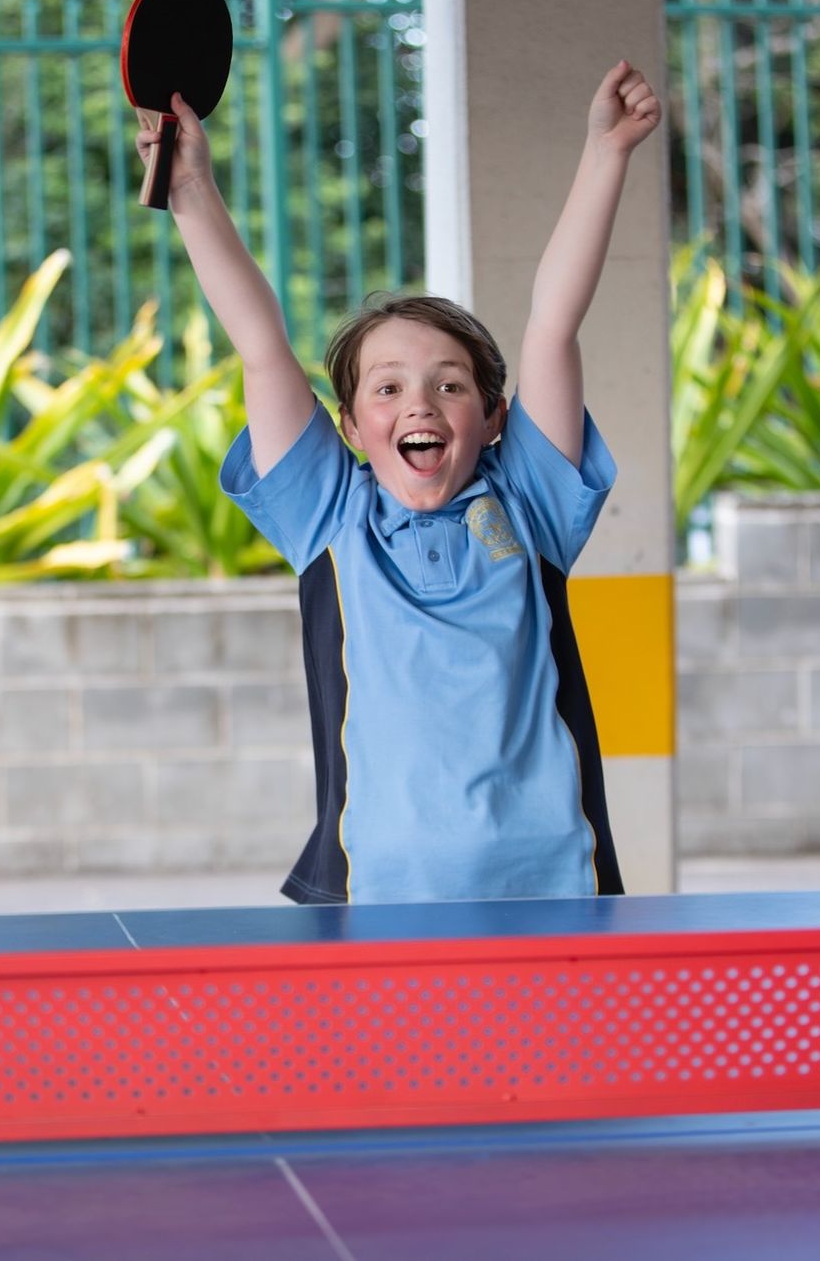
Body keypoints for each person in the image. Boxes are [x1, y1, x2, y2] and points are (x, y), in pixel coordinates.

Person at [138, 61, 659, 905]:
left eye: (450, 384)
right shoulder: (329, 517)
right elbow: (263, 346)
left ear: (494, 419)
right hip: (376, 901)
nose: (420, 401)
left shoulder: (530, 504)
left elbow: (553, 325)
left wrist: (606, 155)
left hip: (556, 892)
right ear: (348, 429)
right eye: (387, 388)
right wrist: (193, 187)